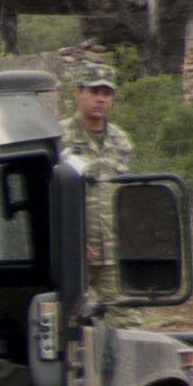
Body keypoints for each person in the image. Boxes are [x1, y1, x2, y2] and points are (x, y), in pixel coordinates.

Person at [66, 70, 133, 300]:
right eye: (94, 92)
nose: (101, 99)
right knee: (74, 325)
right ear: (78, 93)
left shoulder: (120, 141)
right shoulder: (59, 138)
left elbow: (128, 195)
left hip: (114, 253)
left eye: (107, 93)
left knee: (126, 324)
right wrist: (71, 238)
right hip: (73, 255)